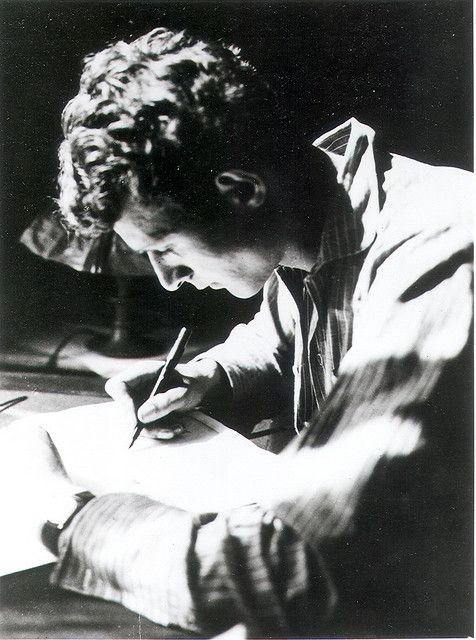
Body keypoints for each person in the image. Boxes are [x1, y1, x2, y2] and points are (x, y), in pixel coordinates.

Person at [11, 27, 474, 637]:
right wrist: (207, 379)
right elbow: (285, 344)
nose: (169, 280)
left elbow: (282, 566)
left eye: (167, 247)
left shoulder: (438, 255)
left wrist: (61, 510)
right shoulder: (316, 220)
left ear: (241, 191)